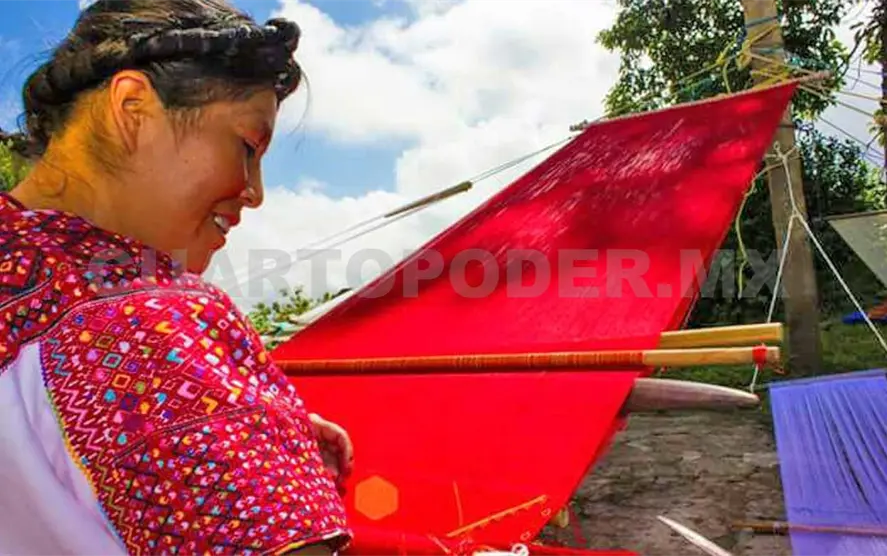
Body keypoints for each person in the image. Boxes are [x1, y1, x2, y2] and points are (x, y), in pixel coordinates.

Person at [0, 1, 353, 554]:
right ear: (133, 108)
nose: (255, 193)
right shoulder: (146, 318)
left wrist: (245, 428)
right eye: (248, 147)